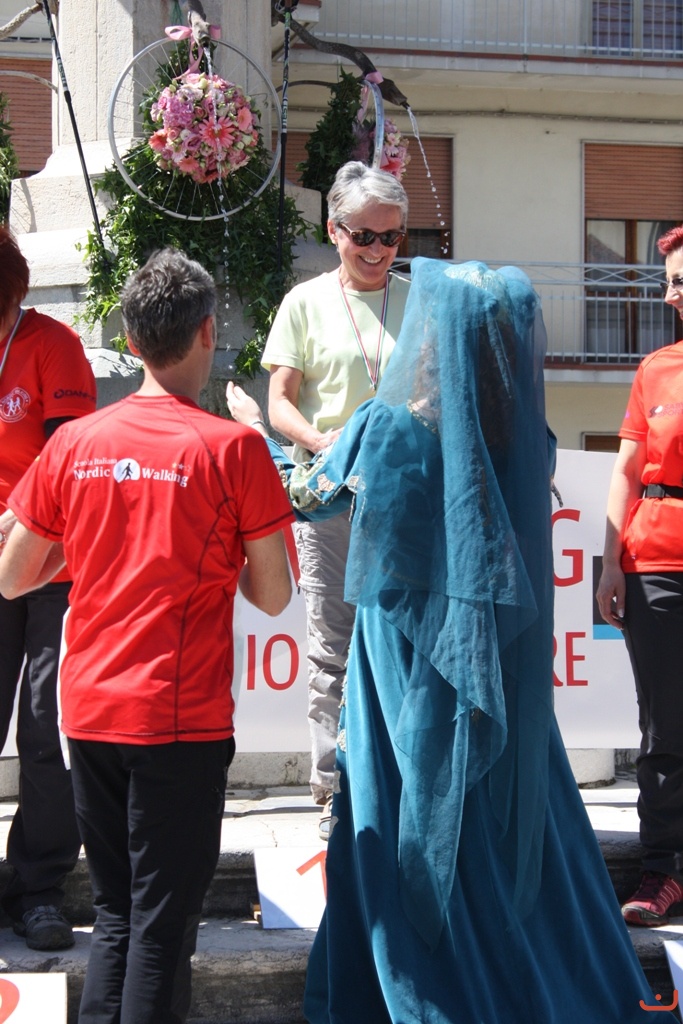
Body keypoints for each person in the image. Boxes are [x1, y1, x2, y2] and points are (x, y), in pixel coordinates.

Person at [229, 258, 673, 1022]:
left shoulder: (388, 426)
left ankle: (428, 981)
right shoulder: (528, 440)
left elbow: (307, 494)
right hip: (495, 661)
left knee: (406, 805)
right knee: (507, 818)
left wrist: (251, 432)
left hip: (401, 663)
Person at [0, 248, 293, 1024]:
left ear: (129, 342)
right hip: (178, 717)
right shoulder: (233, 448)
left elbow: (12, 576)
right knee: (161, 929)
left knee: (116, 916)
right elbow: (272, 595)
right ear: (208, 332)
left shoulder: (74, 443)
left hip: (91, 710)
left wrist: (86, 542)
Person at [261, 160, 410, 837]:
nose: (377, 251)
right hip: (331, 500)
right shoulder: (304, 301)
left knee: (407, 644)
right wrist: (326, 443)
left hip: (407, 500)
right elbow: (279, 403)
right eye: (363, 236)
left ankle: (401, 784)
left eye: (391, 237)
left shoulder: (420, 301)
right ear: (334, 231)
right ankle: (333, 793)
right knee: (332, 651)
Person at [0, 226, 97, 950]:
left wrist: (18, 515)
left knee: (43, 731)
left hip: (48, 566)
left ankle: (37, 888)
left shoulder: (52, 345)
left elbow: (68, 455)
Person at [596, 223, 683, 928]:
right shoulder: (654, 369)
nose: (672, 293)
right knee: (664, 726)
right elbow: (625, 471)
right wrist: (610, 564)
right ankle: (662, 869)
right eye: (671, 281)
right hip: (655, 563)